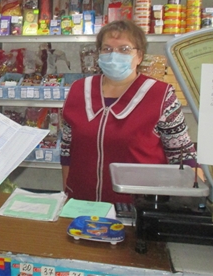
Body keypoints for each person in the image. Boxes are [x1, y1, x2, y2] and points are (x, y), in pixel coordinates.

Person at [60, 20, 197, 203]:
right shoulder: (78, 90)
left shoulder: (160, 95)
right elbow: (67, 149)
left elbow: (183, 156)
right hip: (83, 203)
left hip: (140, 206)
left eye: (124, 49)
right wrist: (67, 192)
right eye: (107, 49)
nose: (113, 55)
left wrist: (185, 203)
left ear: (139, 56)